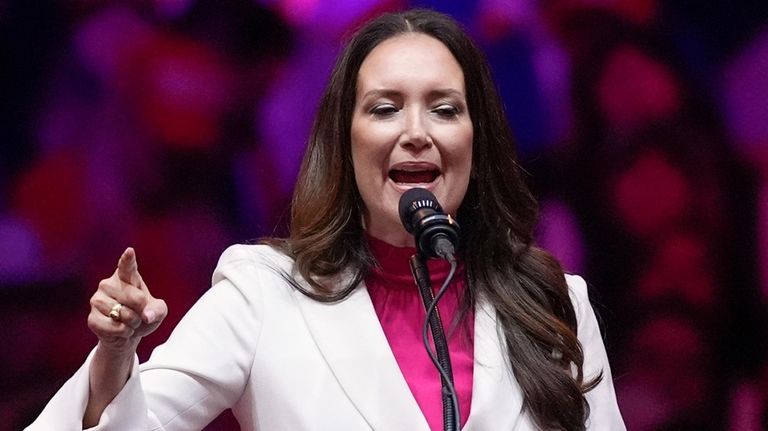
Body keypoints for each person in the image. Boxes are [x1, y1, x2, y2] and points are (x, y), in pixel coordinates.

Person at [27, 8, 624, 431]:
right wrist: (116, 351)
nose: (416, 133)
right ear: (346, 141)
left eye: (444, 109)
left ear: (477, 139)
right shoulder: (264, 293)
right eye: (385, 109)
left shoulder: (553, 302)